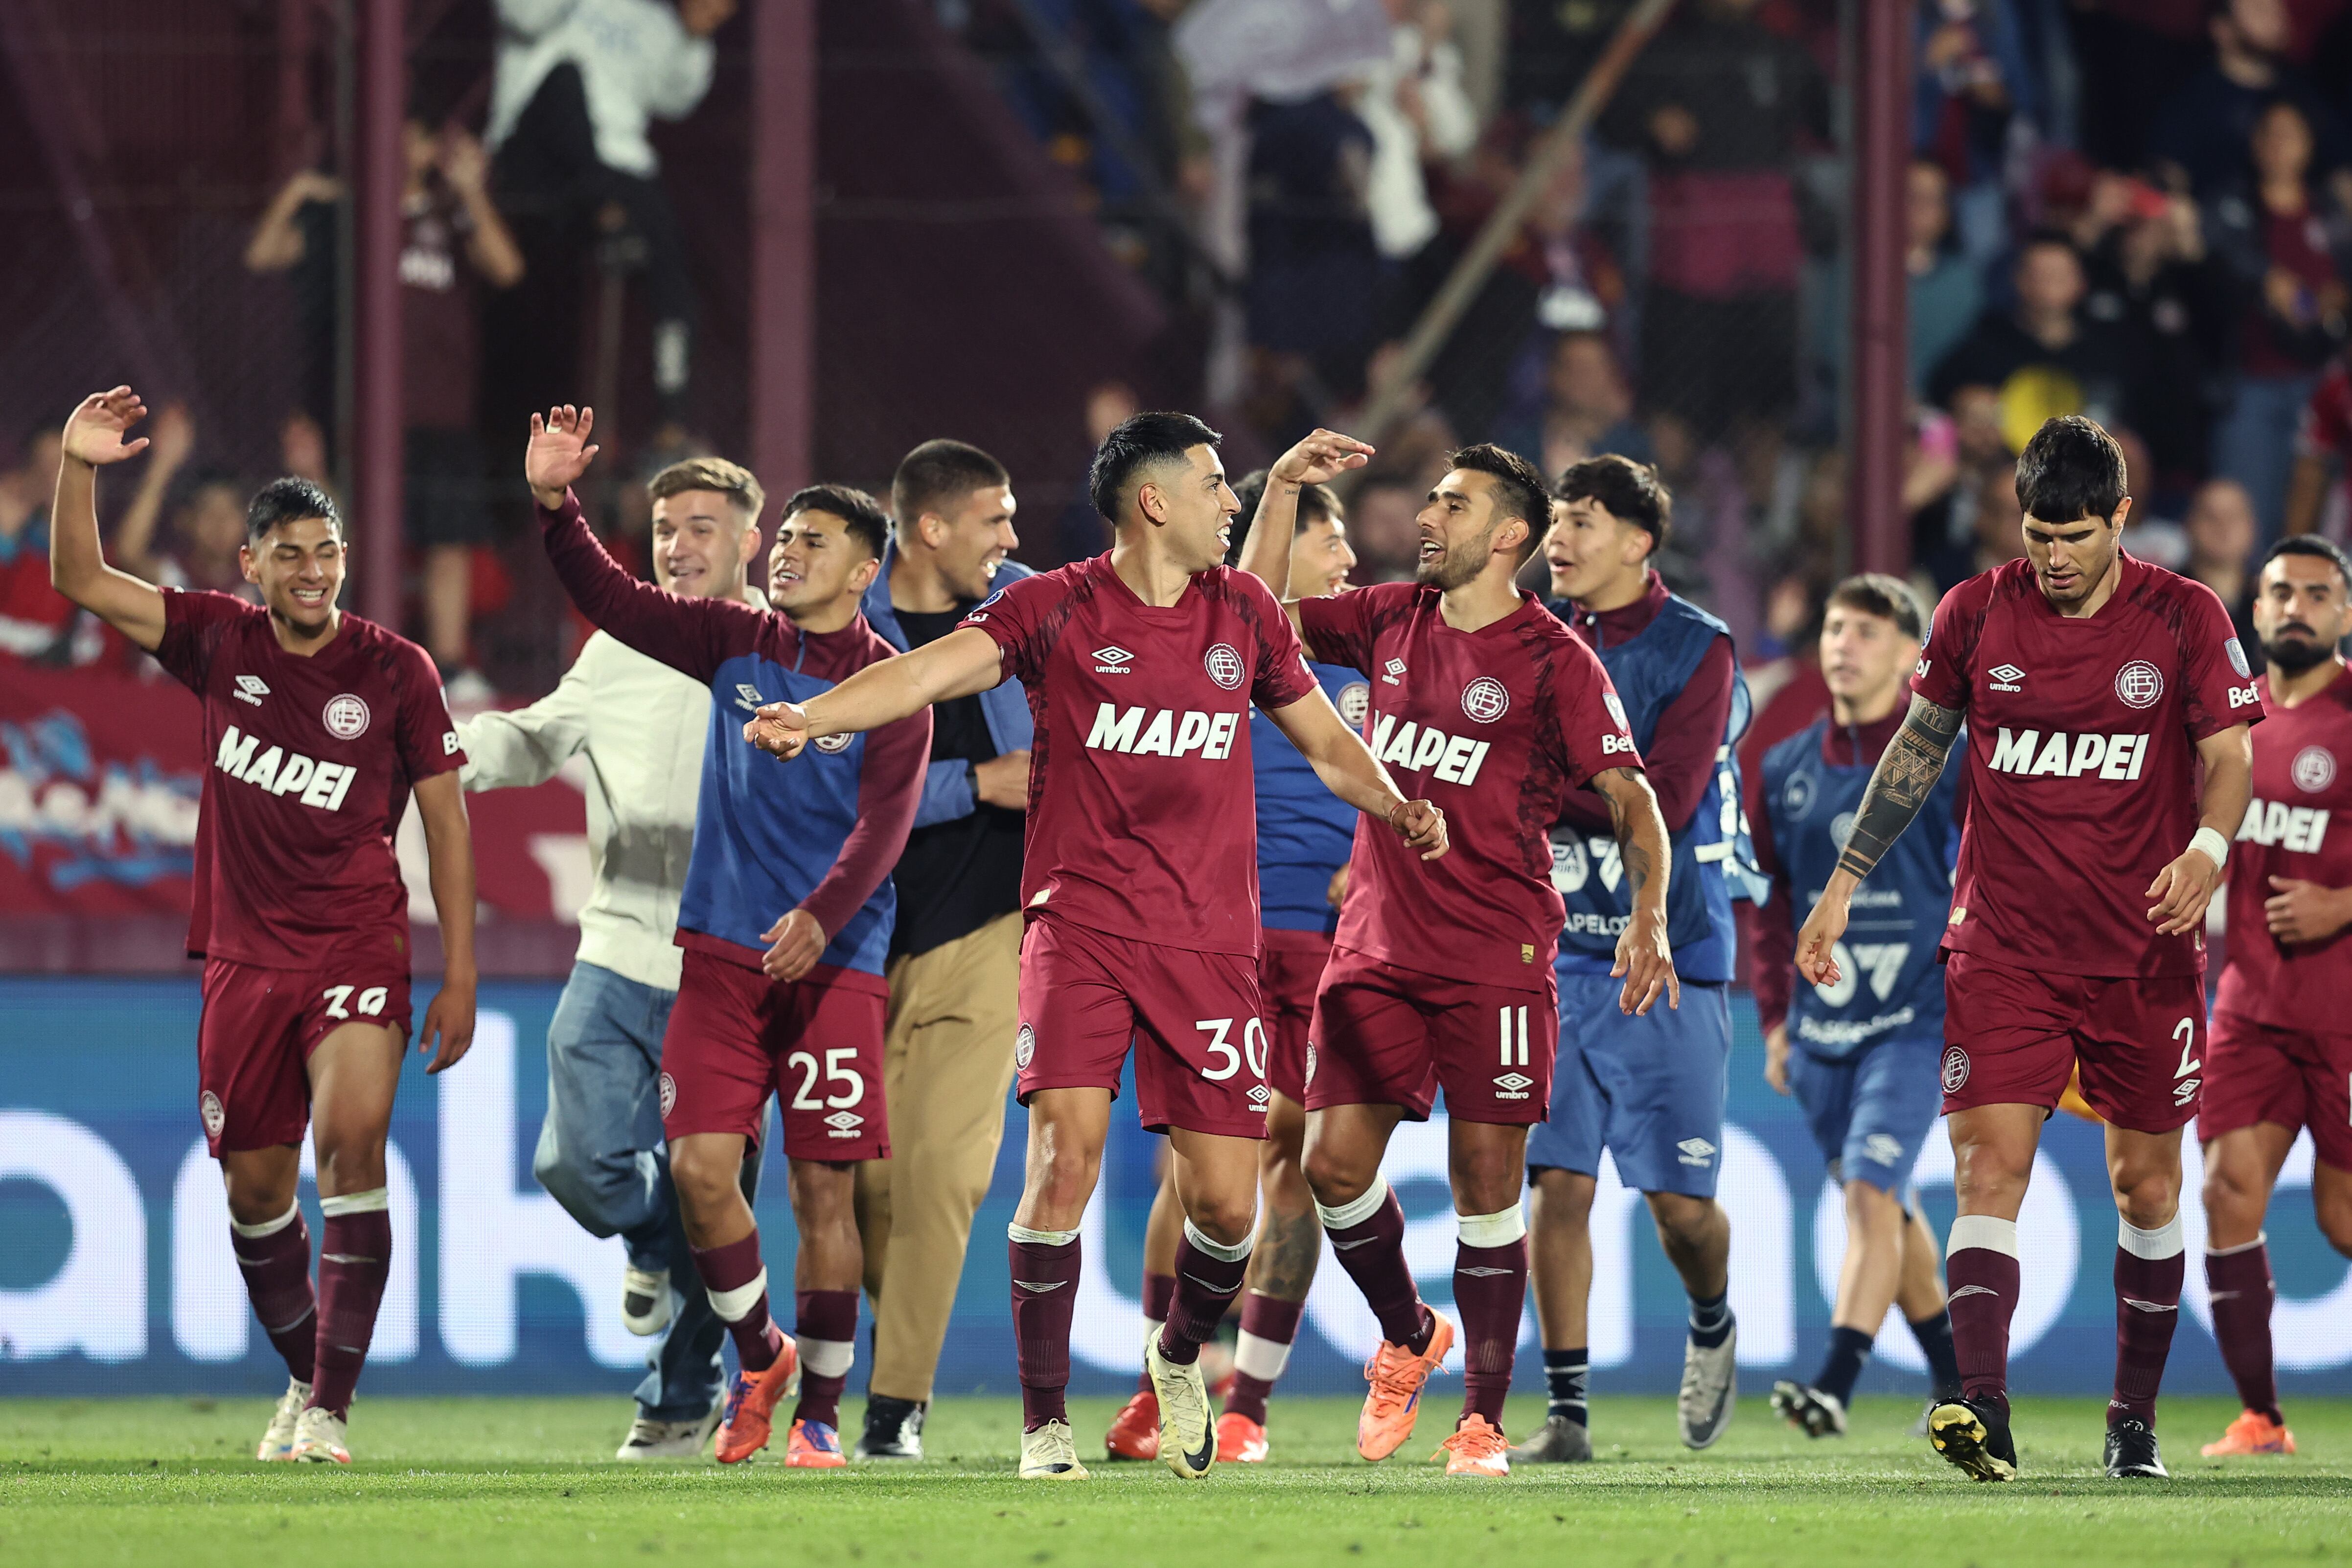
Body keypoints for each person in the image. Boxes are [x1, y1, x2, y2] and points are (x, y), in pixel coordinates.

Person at [740, 414, 1446, 1483]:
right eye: (1216, 485)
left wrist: (1397, 808)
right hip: (1079, 928)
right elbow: (930, 674)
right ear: (1155, 501)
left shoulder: (1245, 610)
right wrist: (817, 714)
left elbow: (1324, 741)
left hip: (1211, 946)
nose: (1230, 502)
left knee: (1225, 1204)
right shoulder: (1055, 605)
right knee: (1063, 1158)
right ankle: (1045, 1429)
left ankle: (1173, 1359)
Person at [1797, 415, 2262, 1483]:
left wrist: (2205, 846)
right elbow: (1915, 754)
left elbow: (2229, 756)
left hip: (2145, 949)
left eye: (2077, 536)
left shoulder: (2185, 616)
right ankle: (1984, 1411)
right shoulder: (1974, 613)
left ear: (2123, 521)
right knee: (1983, 1168)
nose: (2054, 556)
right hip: (2003, 948)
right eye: (2039, 534)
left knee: (2149, 1189)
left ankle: (2130, 1421)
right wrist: (1840, 888)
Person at [46, 386, 479, 1465]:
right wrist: (79, 466)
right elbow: (79, 580)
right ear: (251, 563)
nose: (313, 572)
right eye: (290, 554)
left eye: (326, 552)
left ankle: (329, 1410)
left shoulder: (396, 670)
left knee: (352, 1146)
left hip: (356, 943)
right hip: (243, 957)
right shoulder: (215, 641)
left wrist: (460, 973)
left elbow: (448, 821)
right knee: (254, 1192)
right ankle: (302, 1377)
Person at [1242, 442, 1678, 1479]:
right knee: (1332, 1167)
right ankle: (1406, 1333)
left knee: (1486, 1189)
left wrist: (1650, 914)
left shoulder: (1555, 661)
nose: (1426, 517)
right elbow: (1251, 618)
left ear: (1509, 536)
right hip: (1378, 946)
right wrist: (1283, 488)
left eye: (1452, 503)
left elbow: (1634, 800)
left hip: (1497, 953)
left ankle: (1480, 1420)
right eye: (1431, 500)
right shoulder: (1389, 616)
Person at [523, 406, 930, 1470]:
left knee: (821, 1192)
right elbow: (608, 594)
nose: (788, 552)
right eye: (784, 537)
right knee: (703, 1174)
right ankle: (762, 1358)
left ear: (863, 571)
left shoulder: (892, 687)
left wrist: (820, 917)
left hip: (834, 968)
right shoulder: (734, 643)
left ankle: (822, 1425)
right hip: (718, 957)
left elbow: (886, 827)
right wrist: (556, 506)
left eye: (813, 542)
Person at [455, 456, 769, 1460]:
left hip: (731, 968)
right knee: (577, 1165)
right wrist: (446, 750)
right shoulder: (619, 645)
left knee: (712, 1184)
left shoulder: (788, 652)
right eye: (668, 526)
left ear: (750, 542)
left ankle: (680, 1401)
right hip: (619, 948)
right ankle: (650, 1241)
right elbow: (540, 739)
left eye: (704, 527)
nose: (680, 544)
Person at [1103, 470, 1366, 1467]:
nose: (1345, 560)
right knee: (1194, 1165)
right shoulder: (1209, 649)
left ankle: (1248, 1399)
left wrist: (1370, 859)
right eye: (1323, 539)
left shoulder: (1365, 663)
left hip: (1331, 942)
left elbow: (1409, 779)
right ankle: (1158, 1387)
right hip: (1214, 932)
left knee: (1290, 1156)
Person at [1515, 454, 1746, 1462]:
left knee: (1681, 1211)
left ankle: (1712, 1319)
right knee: (1555, 1187)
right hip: (1555, 950)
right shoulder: (1526, 631)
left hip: (1669, 950)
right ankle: (1568, 1416)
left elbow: (1670, 797)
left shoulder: (1700, 648)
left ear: (1639, 542)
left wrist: (1525, 778)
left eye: (1581, 521)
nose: (1557, 537)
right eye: (1555, 519)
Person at [1747, 575, 1967, 1437]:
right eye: (1835, 627)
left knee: (1872, 1188)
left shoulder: (1945, 761)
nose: (1843, 643)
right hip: (1821, 1025)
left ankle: (1835, 1377)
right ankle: (1956, 1380)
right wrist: (1773, 1017)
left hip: (1917, 1015)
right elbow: (1766, 901)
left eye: (1869, 631)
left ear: (1915, 656)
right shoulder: (1784, 766)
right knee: (1889, 1203)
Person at [849, 439, 1032, 1461]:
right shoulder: (842, 619)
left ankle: (893, 1410)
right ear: (929, 528)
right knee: (868, 1185)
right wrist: (978, 784)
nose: (1011, 541)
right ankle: (891, 1356)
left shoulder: (1031, 607)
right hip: (862, 938)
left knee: (942, 1176)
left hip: (993, 929)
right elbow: (829, 785)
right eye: (994, 520)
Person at [246, 118, 525, 698]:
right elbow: (265, 255)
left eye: (415, 137)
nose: (403, 149)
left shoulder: (450, 212)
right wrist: (299, 191)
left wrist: (472, 190)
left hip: (442, 407)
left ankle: (446, 667)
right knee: (361, 529)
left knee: (449, 537)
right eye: (391, 135)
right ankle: (370, 652)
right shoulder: (349, 215)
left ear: (431, 149)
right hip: (365, 410)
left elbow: (506, 268)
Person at [2197, 534, 2352, 1459]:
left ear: (2343, 613)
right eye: (2280, 591)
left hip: (2342, 1014)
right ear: (2254, 611)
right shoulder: (2226, 721)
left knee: (2340, 1216)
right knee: (2225, 1193)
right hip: (2248, 1006)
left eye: (2317, 593)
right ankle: (2262, 1416)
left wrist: (2342, 899)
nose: (2295, 605)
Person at [487, 0, 733, 430]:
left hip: (618, 165)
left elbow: (675, 99)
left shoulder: (650, 17)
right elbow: (522, 16)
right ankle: (604, 209)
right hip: (536, 155)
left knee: (671, 267)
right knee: (568, 78)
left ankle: (671, 419)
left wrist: (694, 37)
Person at [2205, 99, 2351, 544]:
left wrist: (2338, 297)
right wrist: (2265, 279)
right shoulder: (2231, 204)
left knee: (2318, 517)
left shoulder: (2331, 211)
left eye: (2291, 134)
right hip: (2251, 383)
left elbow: (2345, 279)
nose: (2278, 145)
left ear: (2309, 146)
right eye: (2269, 133)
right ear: (2254, 144)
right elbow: (2211, 263)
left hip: (2322, 383)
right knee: (2247, 518)